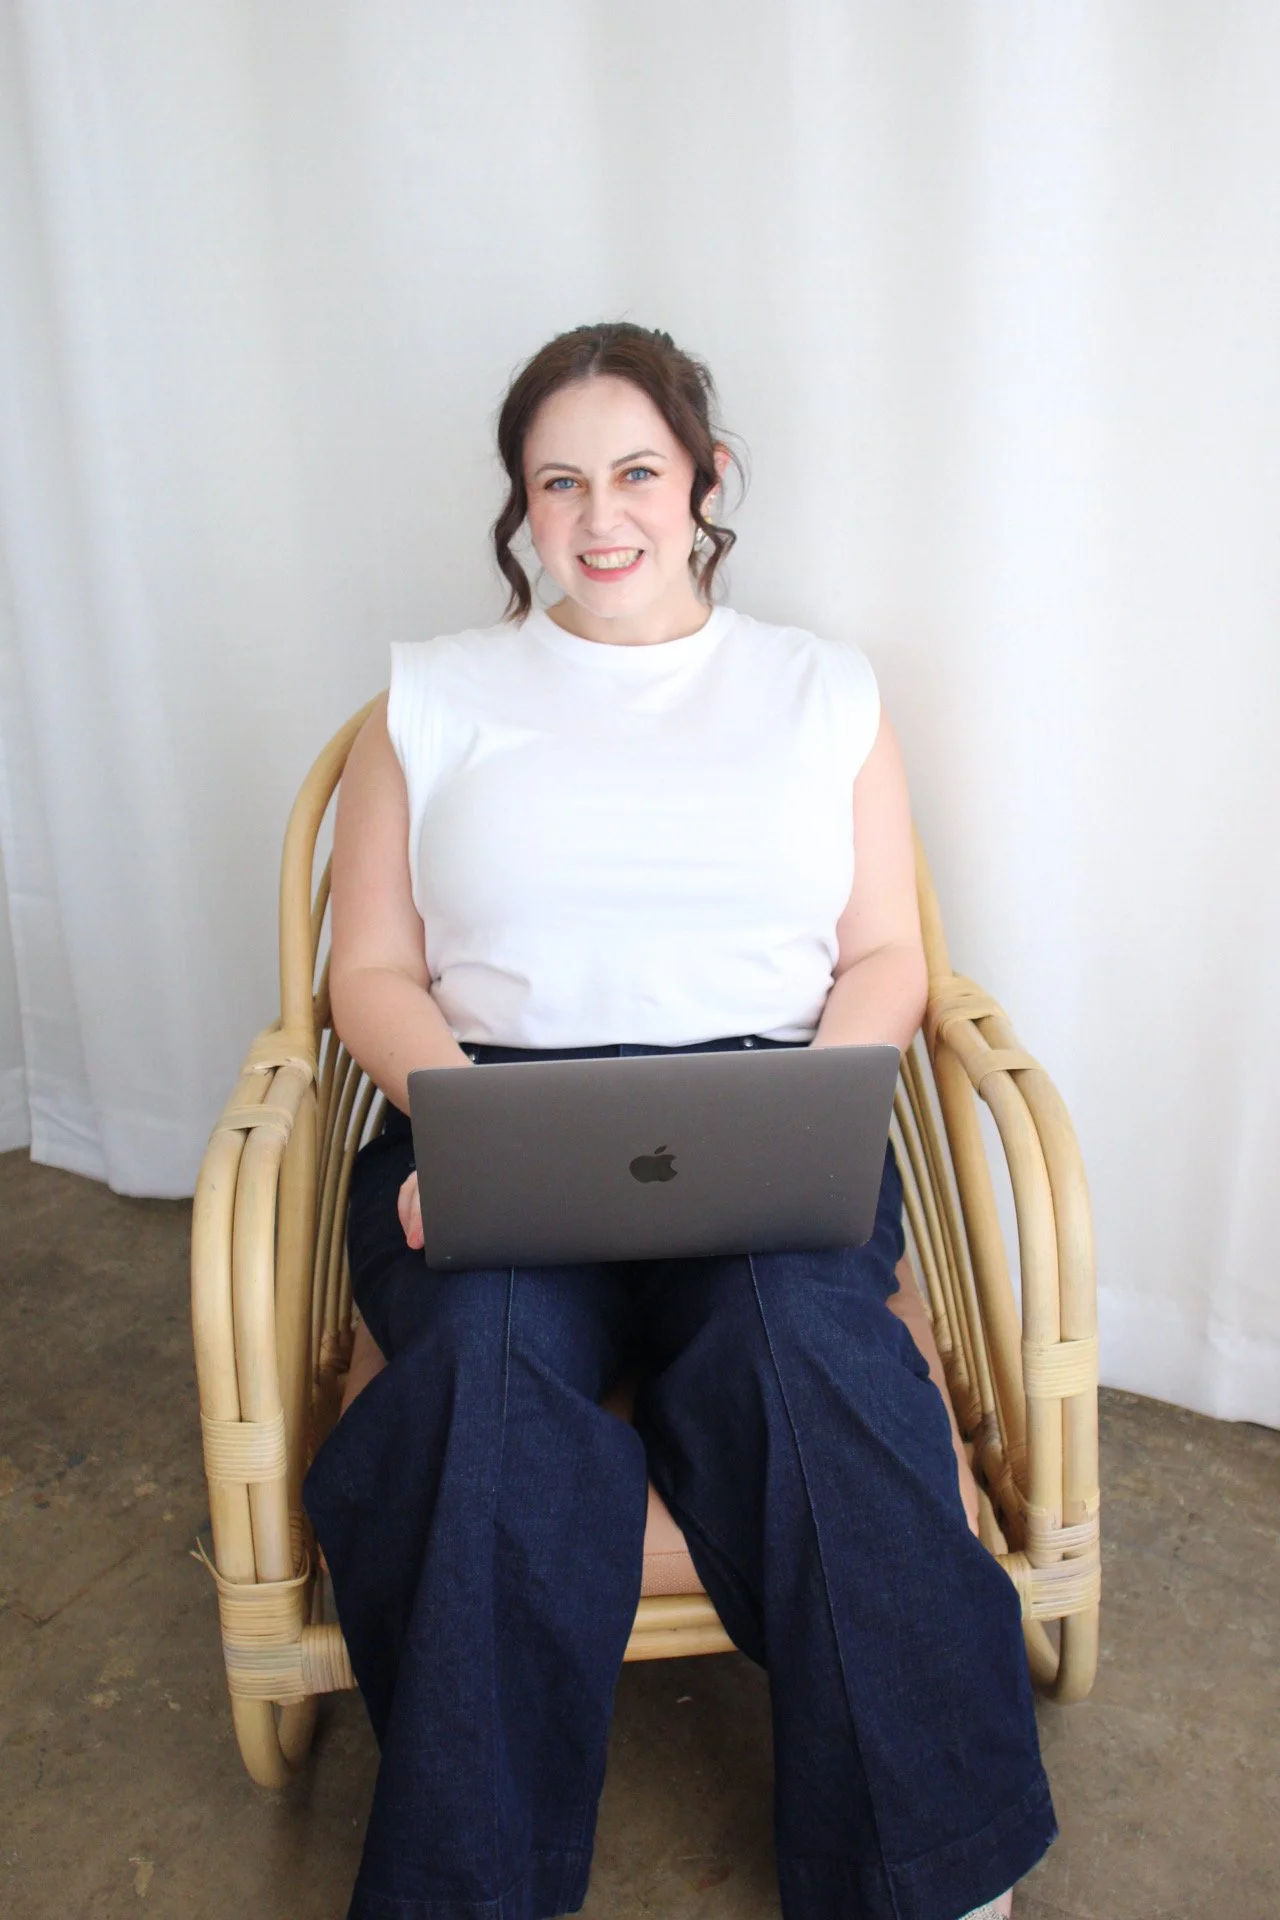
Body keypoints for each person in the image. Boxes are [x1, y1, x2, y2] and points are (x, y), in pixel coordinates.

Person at [302, 322, 1057, 1920]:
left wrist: (830, 1110)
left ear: (707, 482)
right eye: (556, 481)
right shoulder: (429, 700)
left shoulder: (818, 689)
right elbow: (365, 962)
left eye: (636, 470)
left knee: (809, 1352)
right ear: (520, 507)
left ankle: (922, 1878)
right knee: (484, 1382)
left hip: (763, 1102)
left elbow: (884, 956)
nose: (599, 515)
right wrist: (445, 1122)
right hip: (493, 1108)